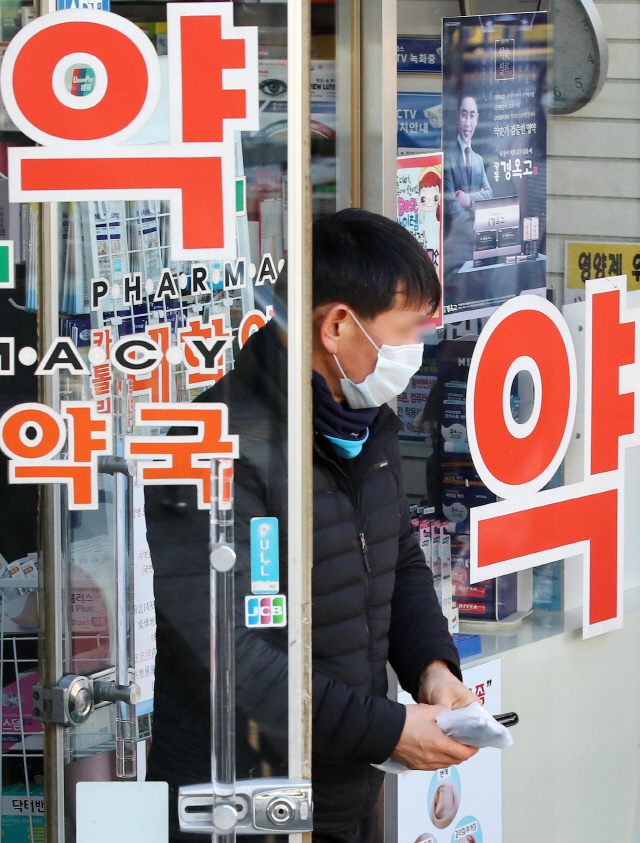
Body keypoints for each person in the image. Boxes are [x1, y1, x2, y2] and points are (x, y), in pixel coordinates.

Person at [145, 209, 480, 843]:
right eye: (407, 331)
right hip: (242, 803)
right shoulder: (211, 445)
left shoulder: (364, 421)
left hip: (344, 788)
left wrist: (433, 666)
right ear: (335, 326)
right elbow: (227, 656)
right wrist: (387, 730)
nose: (416, 352)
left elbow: (399, 559)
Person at [443, 93, 493, 268]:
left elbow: (489, 194)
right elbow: (452, 204)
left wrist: (468, 199)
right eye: (464, 115)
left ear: (477, 119)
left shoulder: (478, 159)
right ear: (457, 117)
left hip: (478, 246)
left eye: (472, 115)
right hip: (455, 242)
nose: (468, 122)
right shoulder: (448, 156)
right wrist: (473, 228)